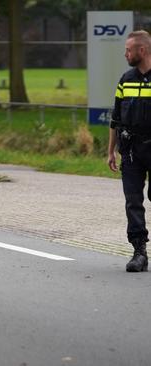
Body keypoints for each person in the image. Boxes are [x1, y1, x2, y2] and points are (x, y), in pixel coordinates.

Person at [108, 30, 151, 272]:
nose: (125, 53)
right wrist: (111, 151)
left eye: (128, 50)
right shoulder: (125, 80)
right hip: (132, 151)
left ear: (141, 51)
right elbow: (115, 119)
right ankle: (139, 253)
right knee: (133, 202)